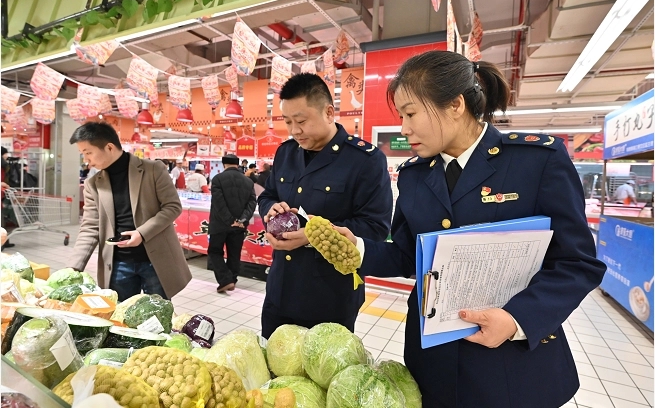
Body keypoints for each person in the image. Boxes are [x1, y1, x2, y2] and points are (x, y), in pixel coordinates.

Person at [323, 52, 606, 408]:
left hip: (512, 363)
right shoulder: (414, 175)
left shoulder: (536, 162)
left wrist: (517, 318)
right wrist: (359, 249)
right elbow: (408, 253)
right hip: (434, 361)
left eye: (411, 113)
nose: (404, 128)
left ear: (455, 104)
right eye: (401, 117)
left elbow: (577, 263)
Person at [257, 73, 393, 339]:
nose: (294, 130)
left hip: (330, 296)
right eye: (287, 122)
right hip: (280, 289)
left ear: (329, 112)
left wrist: (313, 236)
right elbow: (267, 195)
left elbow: (375, 227)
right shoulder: (285, 152)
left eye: (301, 121)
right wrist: (270, 208)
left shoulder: (365, 160)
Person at [68, 122, 191, 301]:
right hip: (118, 263)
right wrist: (73, 267)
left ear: (109, 147)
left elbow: (172, 207)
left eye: (88, 153)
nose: (87, 160)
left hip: (155, 260)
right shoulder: (93, 184)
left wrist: (141, 233)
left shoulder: (153, 169)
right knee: (121, 318)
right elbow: (90, 227)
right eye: (83, 154)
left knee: (157, 317)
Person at [208, 154, 256, 293]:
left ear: (224, 165)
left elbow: (219, 203)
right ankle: (232, 280)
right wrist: (241, 220)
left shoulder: (218, 179)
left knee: (214, 251)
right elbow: (252, 202)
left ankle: (225, 280)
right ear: (237, 164)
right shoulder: (248, 182)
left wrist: (230, 220)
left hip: (219, 224)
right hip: (239, 226)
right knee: (234, 253)